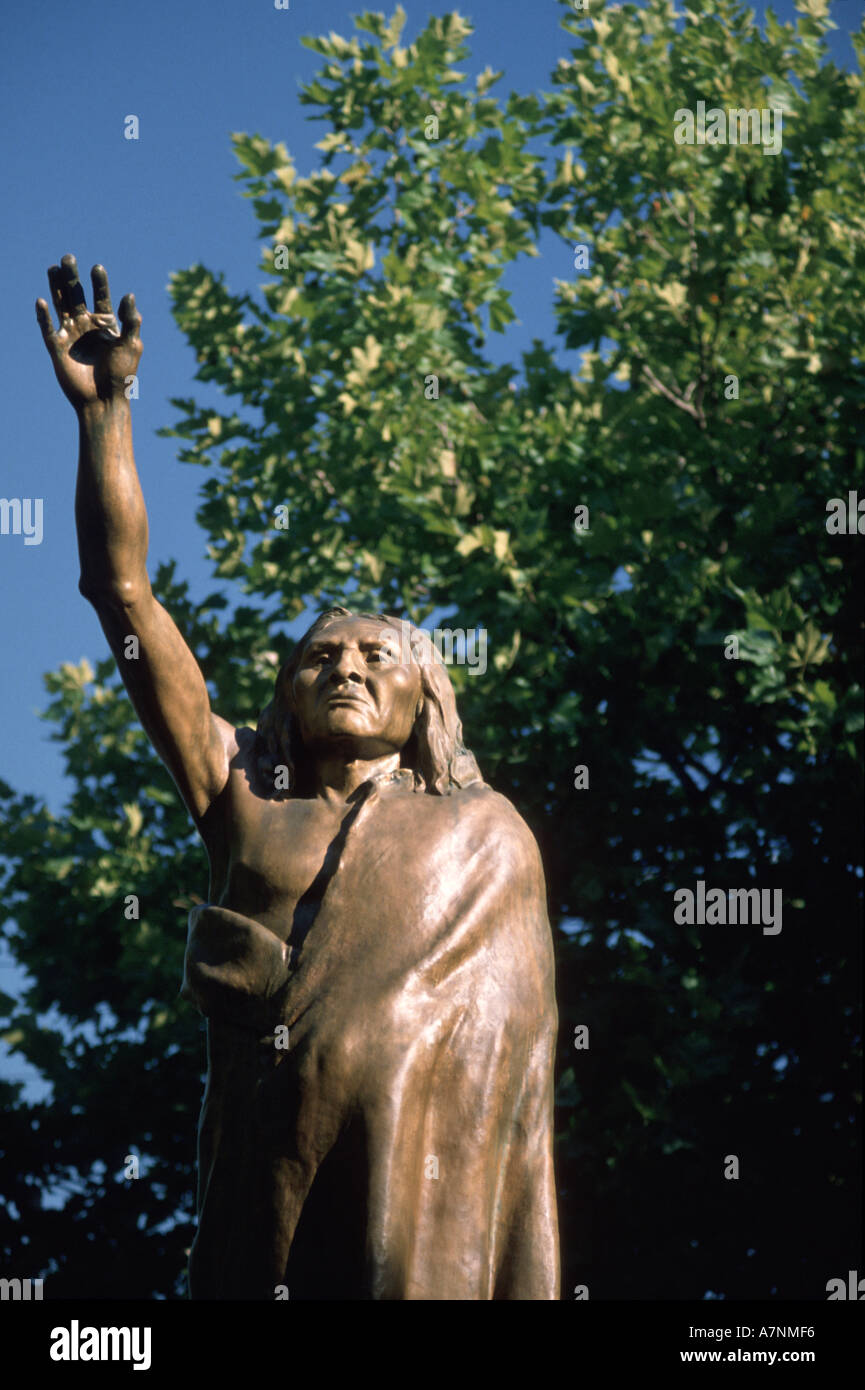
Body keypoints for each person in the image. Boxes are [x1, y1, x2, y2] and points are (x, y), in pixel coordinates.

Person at [37, 255, 560, 1300]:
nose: (348, 666)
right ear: (285, 694)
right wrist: (107, 418)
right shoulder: (244, 797)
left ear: (425, 703)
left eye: (378, 656)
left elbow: (511, 1086)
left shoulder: (484, 834)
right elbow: (123, 592)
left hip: (426, 1222)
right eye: (322, 655)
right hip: (261, 1200)